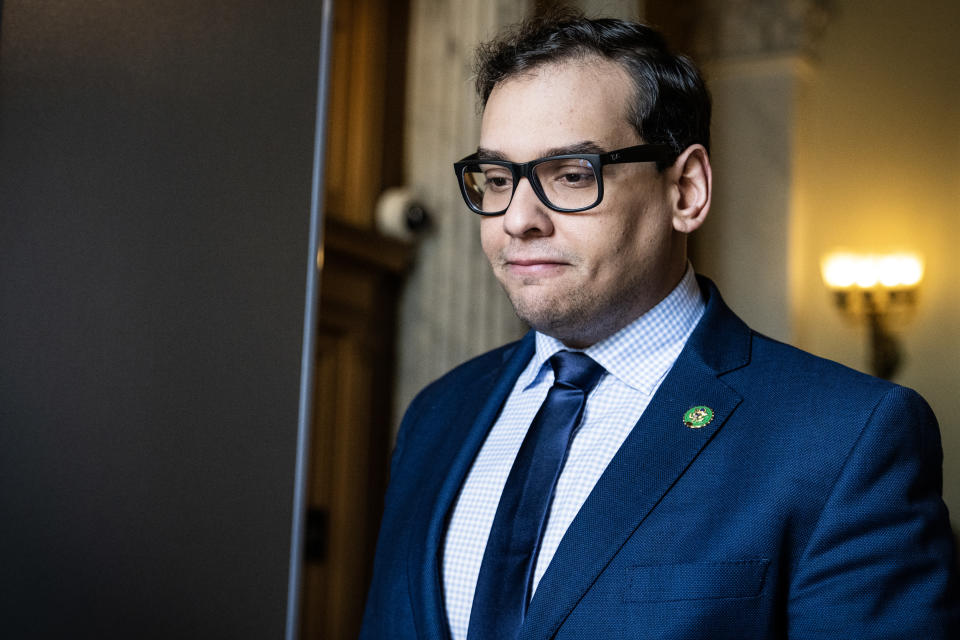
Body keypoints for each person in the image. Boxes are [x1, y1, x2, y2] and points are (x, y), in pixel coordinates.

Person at [360, 12, 958, 640]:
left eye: (570, 174)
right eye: (500, 178)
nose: (517, 219)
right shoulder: (437, 415)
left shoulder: (844, 438)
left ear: (686, 191)